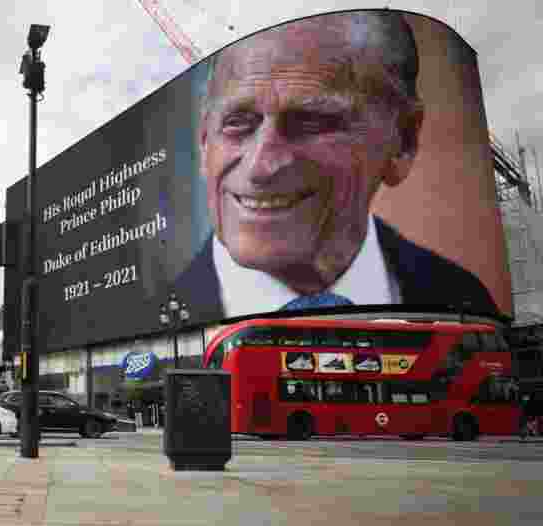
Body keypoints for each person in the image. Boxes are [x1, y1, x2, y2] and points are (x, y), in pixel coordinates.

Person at [173, 10, 499, 321]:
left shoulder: (465, 298)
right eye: (238, 122)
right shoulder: (152, 315)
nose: (261, 166)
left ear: (403, 140)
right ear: (204, 142)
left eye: (311, 122)